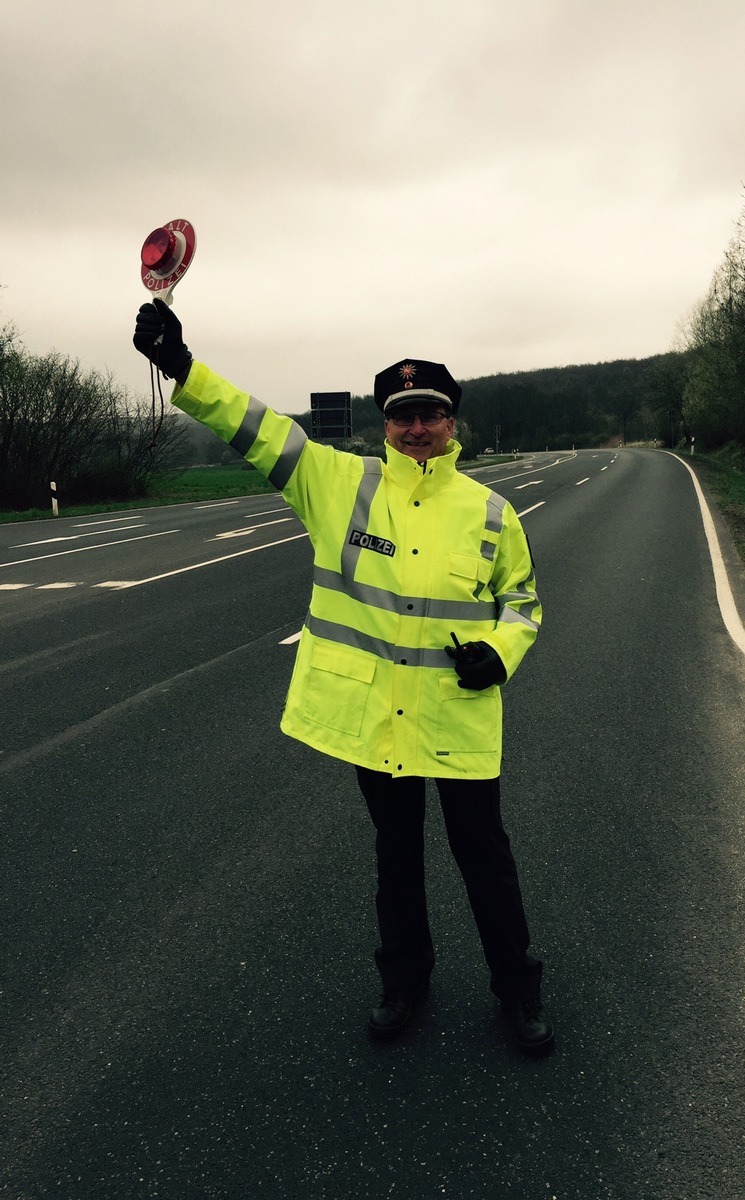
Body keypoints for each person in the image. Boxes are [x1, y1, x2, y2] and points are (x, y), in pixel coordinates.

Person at [133, 299, 554, 1054]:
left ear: (452, 423)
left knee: (485, 861)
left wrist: (503, 651)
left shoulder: (492, 513)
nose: (417, 427)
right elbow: (260, 430)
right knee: (396, 861)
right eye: (403, 416)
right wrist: (183, 370)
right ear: (384, 426)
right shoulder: (337, 485)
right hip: (375, 719)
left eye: (430, 413)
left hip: (458, 716)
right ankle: (405, 984)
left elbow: (521, 604)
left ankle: (519, 992)